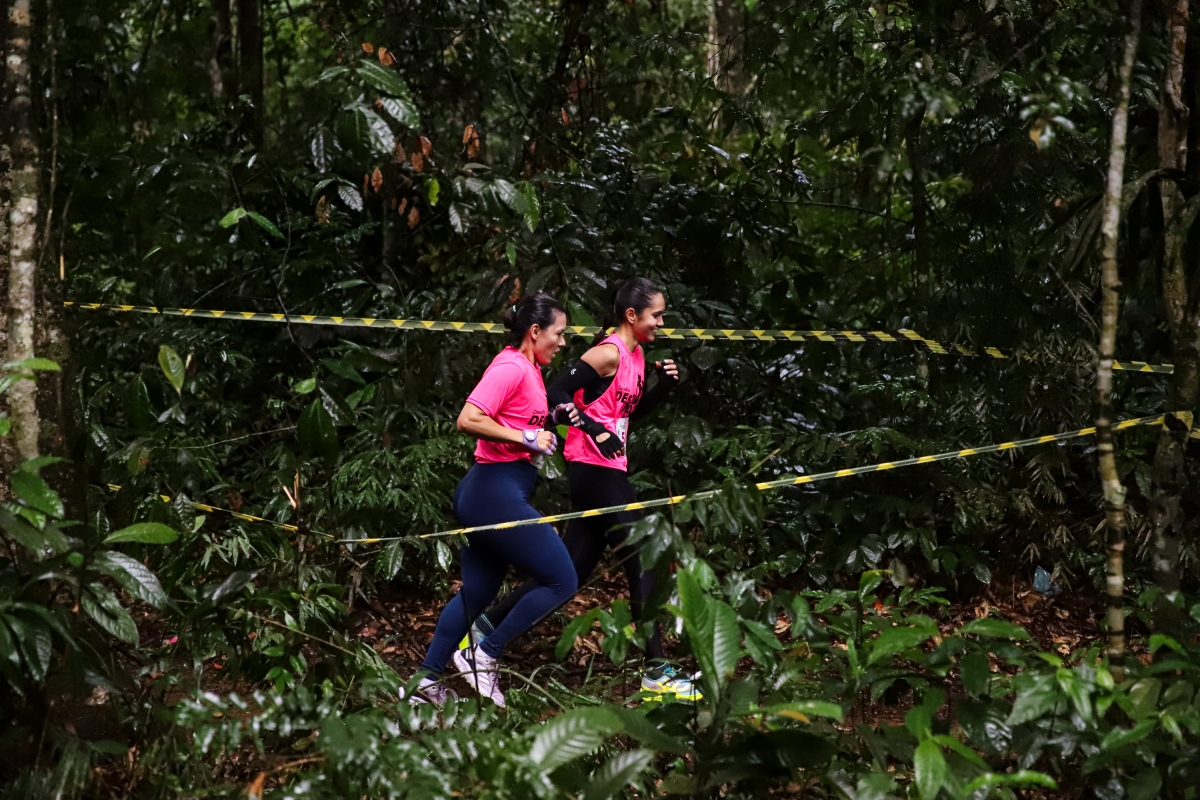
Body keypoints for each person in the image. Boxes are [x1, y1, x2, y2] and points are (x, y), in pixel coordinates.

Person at [466, 278, 700, 701]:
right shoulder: (607, 352)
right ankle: (656, 673)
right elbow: (557, 393)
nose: (661, 323)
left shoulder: (637, 355)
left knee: (568, 575)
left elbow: (626, 413)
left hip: (609, 468)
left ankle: (481, 633)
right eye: (657, 315)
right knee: (644, 554)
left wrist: (663, 390)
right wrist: (592, 429)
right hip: (592, 469)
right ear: (632, 315)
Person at [405, 293, 580, 708]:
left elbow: (518, 419)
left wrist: (550, 421)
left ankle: (425, 682)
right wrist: (526, 437)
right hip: (493, 493)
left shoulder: (530, 369)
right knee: (562, 580)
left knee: (477, 593)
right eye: (558, 333)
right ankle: (483, 653)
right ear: (534, 332)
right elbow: (468, 418)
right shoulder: (510, 367)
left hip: (486, 492)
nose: (562, 342)